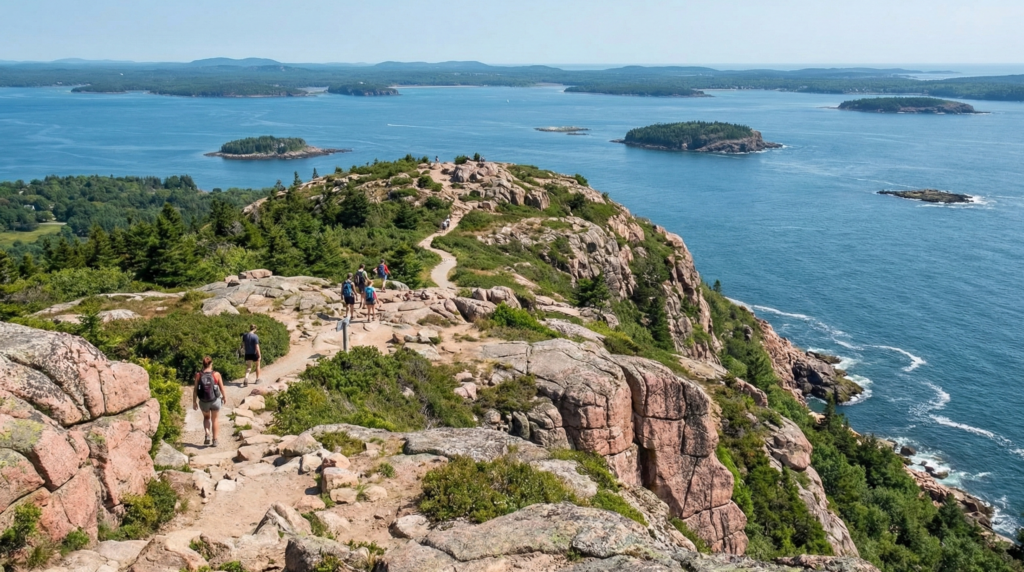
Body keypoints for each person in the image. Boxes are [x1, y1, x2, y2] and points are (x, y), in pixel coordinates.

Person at [193, 356, 227, 447]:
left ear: (203, 364)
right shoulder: (216, 374)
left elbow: (195, 390)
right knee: (215, 419)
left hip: (204, 402)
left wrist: (194, 402)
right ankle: (215, 440)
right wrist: (224, 397)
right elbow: (222, 388)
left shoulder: (198, 375)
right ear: (211, 364)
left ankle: (207, 434)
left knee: (206, 418)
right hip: (215, 400)